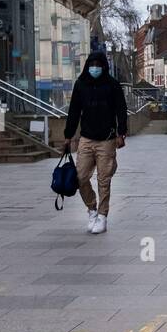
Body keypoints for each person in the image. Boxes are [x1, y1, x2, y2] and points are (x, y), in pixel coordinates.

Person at [63, 50, 128, 235]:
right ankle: (92, 208)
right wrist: (68, 135)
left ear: (104, 67)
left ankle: (102, 215)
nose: (95, 68)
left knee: (103, 180)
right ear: (87, 65)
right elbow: (74, 111)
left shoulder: (112, 85)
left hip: (107, 139)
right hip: (86, 138)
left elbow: (121, 109)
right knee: (81, 176)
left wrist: (121, 133)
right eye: (92, 65)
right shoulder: (81, 84)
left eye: (99, 65)